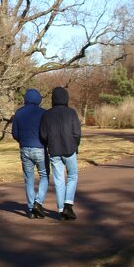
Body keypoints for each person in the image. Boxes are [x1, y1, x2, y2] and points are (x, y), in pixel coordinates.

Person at [38, 86, 81, 220]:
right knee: (72, 176)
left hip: (54, 151)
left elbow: (43, 135)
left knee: (59, 180)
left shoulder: (47, 114)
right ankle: (68, 203)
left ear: (53, 99)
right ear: (66, 98)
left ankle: (61, 209)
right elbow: (77, 133)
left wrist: (49, 143)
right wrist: (75, 145)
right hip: (70, 149)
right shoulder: (71, 113)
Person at [10, 88, 49, 218]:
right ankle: (38, 202)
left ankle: (31, 207)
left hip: (24, 148)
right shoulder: (43, 113)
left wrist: (21, 141)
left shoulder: (19, 113)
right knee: (44, 175)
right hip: (40, 148)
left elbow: (15, 133)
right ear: (39, 99)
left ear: (26, 99)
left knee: (29, 179)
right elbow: (47, 132)